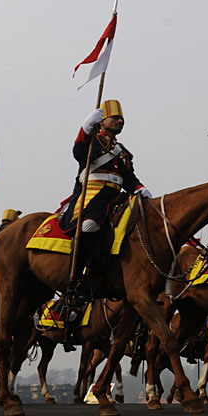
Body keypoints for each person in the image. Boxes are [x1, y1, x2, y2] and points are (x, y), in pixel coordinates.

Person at [60, 100, 152, 285]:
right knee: (89, 225)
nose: (120, 121)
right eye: (115, 117)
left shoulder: (123, 152)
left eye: (122, 119)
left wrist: (139, 188)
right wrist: (86, 129)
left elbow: (128, 178)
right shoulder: (93, 141)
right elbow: (79, 153)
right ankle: (78, 276)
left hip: (117, 196)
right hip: (93, 195)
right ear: (101, 121)